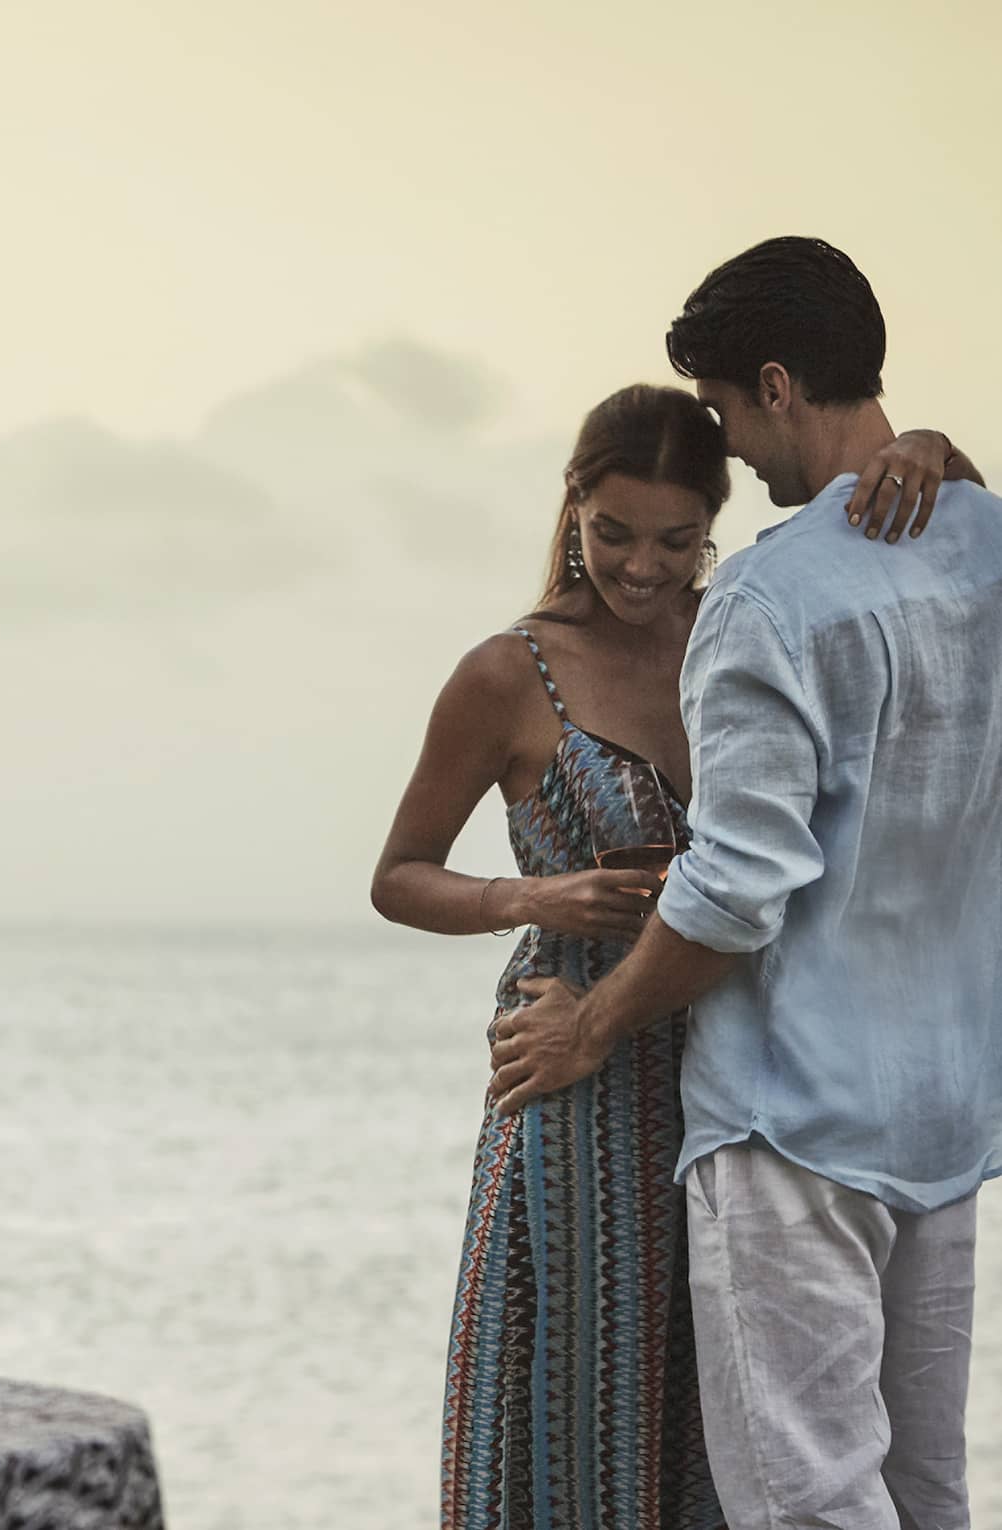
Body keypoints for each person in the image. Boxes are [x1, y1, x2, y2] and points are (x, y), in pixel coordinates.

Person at [372, 368, 965, 1528]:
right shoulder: (509, 672)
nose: (643, 567)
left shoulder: (754, 623)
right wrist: (531, 894)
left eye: (677, 541)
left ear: (714, 528)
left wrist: (934, 450)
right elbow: (399, 876)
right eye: (613, 535)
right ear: (572, 507)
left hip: (752, 1073)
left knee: (753, 1430)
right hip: (579, 1086)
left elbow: (922, 549)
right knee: (580, 1413)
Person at [495, 236, 997, 1530]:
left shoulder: (770, 594)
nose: (733, 450)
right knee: (922, 1489)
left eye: (723, 411)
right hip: (943, 1117)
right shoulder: (987, 546)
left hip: (791, 1124)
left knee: (802, 1504)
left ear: (775, 383)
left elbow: (738, 888)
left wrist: (589, 1027)